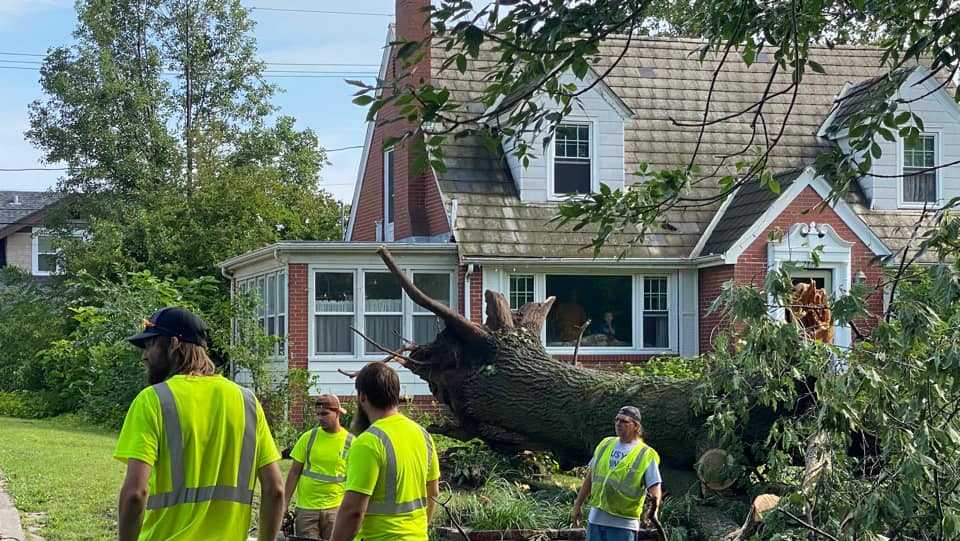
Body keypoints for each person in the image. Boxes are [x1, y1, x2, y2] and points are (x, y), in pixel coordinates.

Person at [114, 307, 284, 541]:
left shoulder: (153, 400)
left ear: (173, 344)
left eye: (150, 345)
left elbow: (135, 494)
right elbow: (275, 490)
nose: (144, 355)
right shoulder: (247, 402)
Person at [330, 362, 440, 541]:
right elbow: (433, 492)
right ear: (396, 395)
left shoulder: (368, 442)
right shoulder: (423, 435)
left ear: (362, 397)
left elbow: (353, 511)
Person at [571, 406, 663, 541]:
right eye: (617, 420)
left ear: (636, 426)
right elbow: (591, 477)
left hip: (624, 525)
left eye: (624, 421)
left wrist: (652, 512)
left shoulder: (646, 454)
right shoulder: (605, 444)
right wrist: (578, 504)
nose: (619, 424)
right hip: (596, 519)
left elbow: (655, 488)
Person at [284, 394, 354, 540]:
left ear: (337, 413)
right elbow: (294, 473)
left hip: (335, 510)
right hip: (307, 510)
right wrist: (284, 503)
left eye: (325, 414)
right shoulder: (308, 438)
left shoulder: (351, 442)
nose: (320, 418)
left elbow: (355, 480)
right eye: (318, 414)